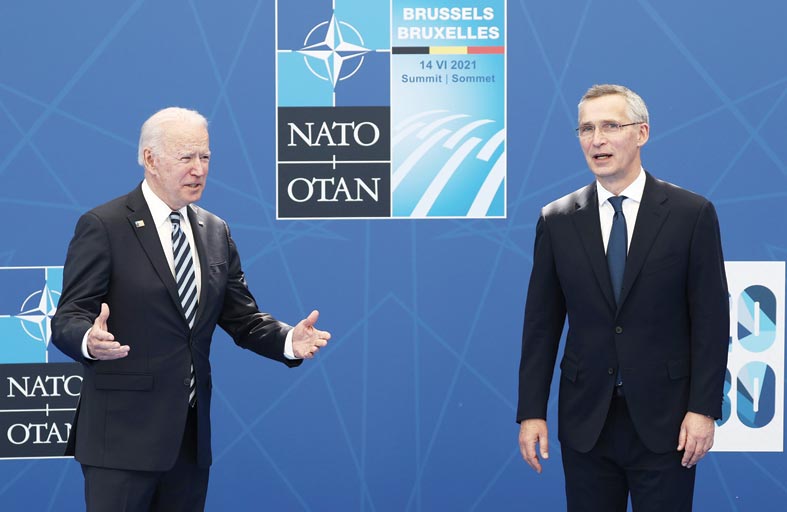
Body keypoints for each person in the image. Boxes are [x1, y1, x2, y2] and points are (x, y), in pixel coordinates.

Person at [51, 107, 331, 511]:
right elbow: (68, 317)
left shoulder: (215, 230)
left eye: (205, 156)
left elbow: (242, 318)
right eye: (186, 157)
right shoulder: (104, 225)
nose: (198, 169)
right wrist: (89, 340)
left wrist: (288, 340)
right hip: (121, 439)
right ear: (150, 159)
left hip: (188, 439)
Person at [516, 84, 729, 511]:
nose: (597, 140)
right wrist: (531, 412)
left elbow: (711, 321)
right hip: (586, 423)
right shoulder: (556, 220)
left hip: (667, 423)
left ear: (642, 133)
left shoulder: (691, 214)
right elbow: (541, 325)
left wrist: (704, 410)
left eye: (611, 126)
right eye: (587, 129)